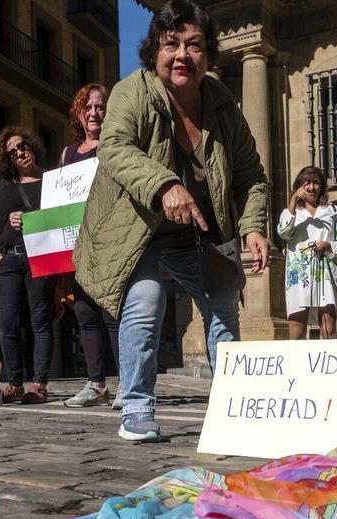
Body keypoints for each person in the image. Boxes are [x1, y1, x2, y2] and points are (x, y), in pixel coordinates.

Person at [73, 0, 270, 441]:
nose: (182, 54)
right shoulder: (132, 92)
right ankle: (137, 408)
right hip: (134, 230)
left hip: (195, 233)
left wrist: (253, 226)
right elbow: (116, 147)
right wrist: (164, 186)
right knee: (145, 302)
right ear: (155, 52)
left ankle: (233, 406)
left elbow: (252, 176)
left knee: (222, 306)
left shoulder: (224, 107)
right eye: (171, 44)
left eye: (194, 45)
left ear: (209, 55)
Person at [60, 83, 123, 409]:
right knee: (85, 315)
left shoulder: (116, 146)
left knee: (112, 314)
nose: (95, 113)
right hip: (76, 247)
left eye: (100, 107)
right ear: (79, 113)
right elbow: (59, 202)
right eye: (89, 107)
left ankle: (127, 382)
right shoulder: (67, 154)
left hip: (109, 242)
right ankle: (96, 384)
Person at [0, 127, 53, 404]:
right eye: (12, 153)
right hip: (9, 258)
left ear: (32, 145)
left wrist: (30, 217)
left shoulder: (51, 181)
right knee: (8, 323)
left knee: (40, 321)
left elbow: (60, 217)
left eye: (22, 146)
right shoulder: (5, 186)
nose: (19, 153)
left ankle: (39, 384)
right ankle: (14, 383)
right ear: (7, 160)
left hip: (40, 255)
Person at [277, 166, 337, 339]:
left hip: (325, 274)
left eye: (316, 183)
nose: (311, 187)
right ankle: (300, 366)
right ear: (299, 186)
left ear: (322, 187)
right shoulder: (290, 213)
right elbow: (284, 233)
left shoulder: (332, 210)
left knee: (328, 328)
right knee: (297, 331)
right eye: (306, 183)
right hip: (298, 276)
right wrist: (292, 203)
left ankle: (331, 365)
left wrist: (328, 245)